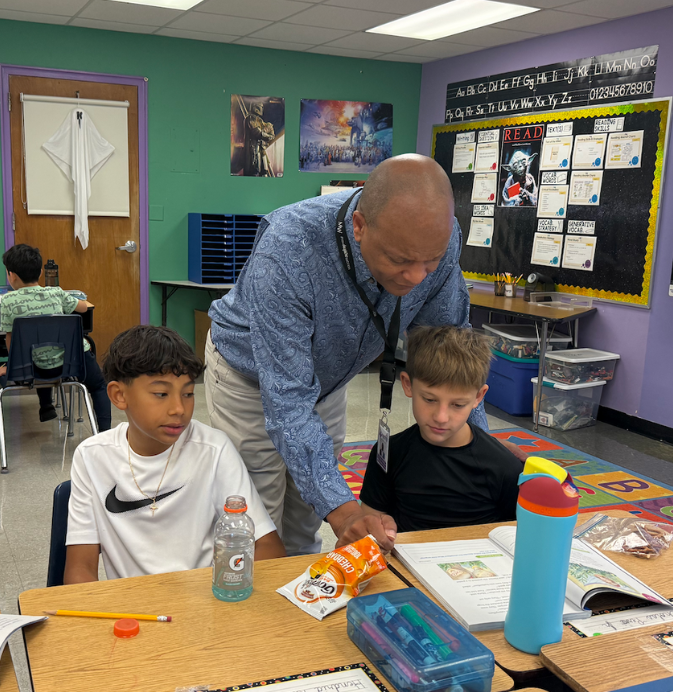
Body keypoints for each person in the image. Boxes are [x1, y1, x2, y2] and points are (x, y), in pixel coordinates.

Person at [206, 154, 489, 557]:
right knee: (256, 518)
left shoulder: (436, 238)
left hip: (330, 379)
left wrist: (479, 445)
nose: (416, 277)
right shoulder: (288, 249)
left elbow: (452, 352)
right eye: (399, 260)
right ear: (359, 226)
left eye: (431, 260)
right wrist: (345, 511)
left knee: (307, 514)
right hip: (247, 377)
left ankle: (301, 604)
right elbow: (287, 403)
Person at [63, 325, 285, 584]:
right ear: (119, 395)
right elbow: (80, 568)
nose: (179, 408)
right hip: (132, 611)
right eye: (161, 394)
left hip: (204, 600)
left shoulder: (213, 449)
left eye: (188, 393)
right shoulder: (92, 457)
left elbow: (268, 548)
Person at [360, 326, 523, 532]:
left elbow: (516, 536)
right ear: (408, 385)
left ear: (478, 397)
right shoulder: (388, 454)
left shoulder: (505, 467)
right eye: (429, 399)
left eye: (457, 405)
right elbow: (370, 521)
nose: (441, 417)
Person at [0, 244, 111, 430]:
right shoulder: (56, 293)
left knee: (39, 350)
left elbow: (11, 340)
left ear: (11, 275)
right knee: (98, 386)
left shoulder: (8, 301)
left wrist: (10, 367)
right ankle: (105, 432)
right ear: (40, 272)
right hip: (71, 361)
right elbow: (83, 308)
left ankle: (46, 405)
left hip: (34, 367)